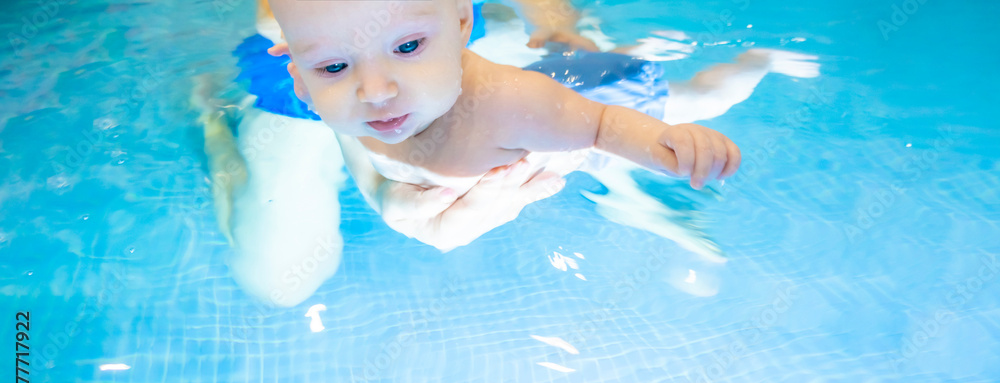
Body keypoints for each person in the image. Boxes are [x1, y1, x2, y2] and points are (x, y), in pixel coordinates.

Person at [197, 0, 817, 307]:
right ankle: (214, 129)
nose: (377, 88)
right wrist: (382, 185)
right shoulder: (321, 73)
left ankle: (635, 175)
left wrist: (563, 29)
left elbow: (602, 120)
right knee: (278, 280)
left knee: (635, 98)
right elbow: (352, 91)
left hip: (437, 51)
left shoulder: (493, 87)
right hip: (303, 76)